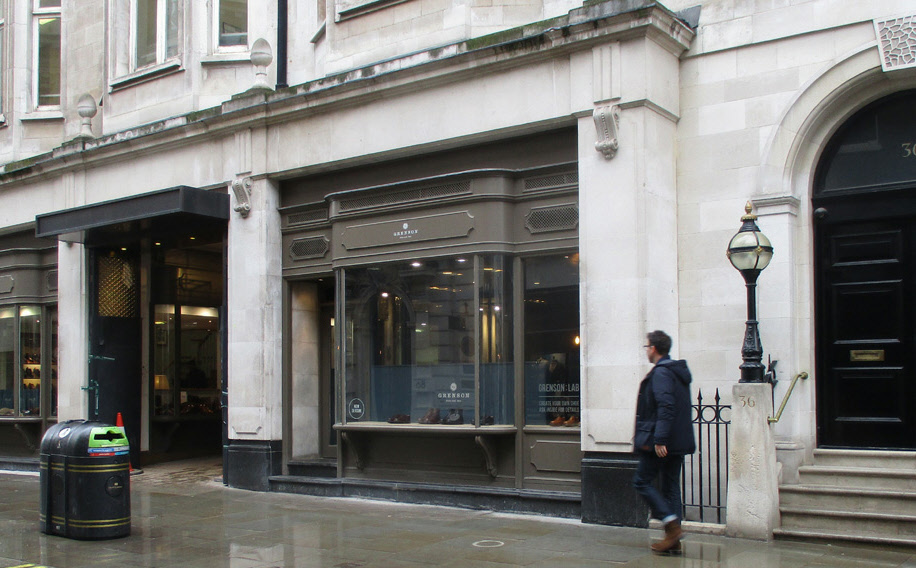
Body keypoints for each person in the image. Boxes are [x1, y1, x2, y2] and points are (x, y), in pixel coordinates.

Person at [632, 330, 695, 553]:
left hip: (661, 441)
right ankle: (673, 542)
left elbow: (665, 406)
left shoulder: (661, 373)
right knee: (670, 487)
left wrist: (659, 439)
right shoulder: (676, 372)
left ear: (654, 349)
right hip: (677, 441)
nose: (646, 350)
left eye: (647, 346)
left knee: (642, 481)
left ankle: (670, 524)